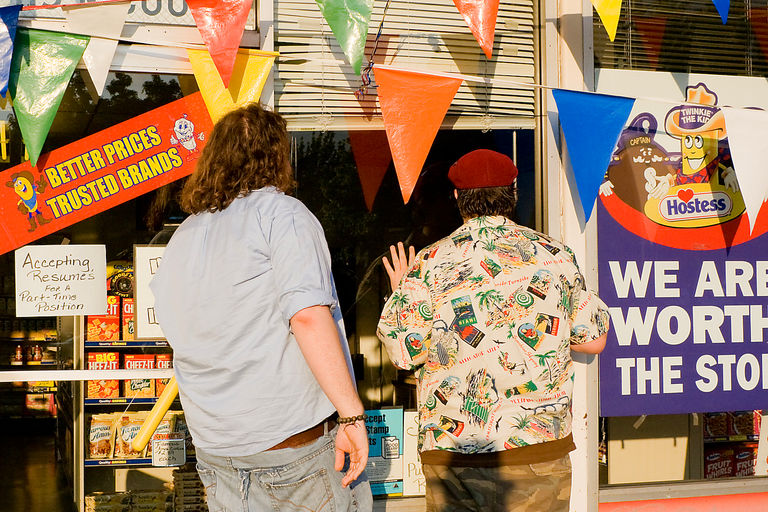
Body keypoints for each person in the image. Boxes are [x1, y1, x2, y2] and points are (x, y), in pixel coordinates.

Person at [150, 103, 372, 512]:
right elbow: (307, 315)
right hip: (289, 447)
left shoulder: (185, 235)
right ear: (276, 157)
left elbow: (177, 328)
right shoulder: (283, 215)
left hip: (217, 449)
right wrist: (352, 417)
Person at [377, 149, 610, 511]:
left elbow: (404, 354)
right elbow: (594, 340)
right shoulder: (556, 256)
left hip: (453, 460)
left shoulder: (430, 263)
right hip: (537, 453)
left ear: (456, 197)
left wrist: (400, 292)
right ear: (514, 192)